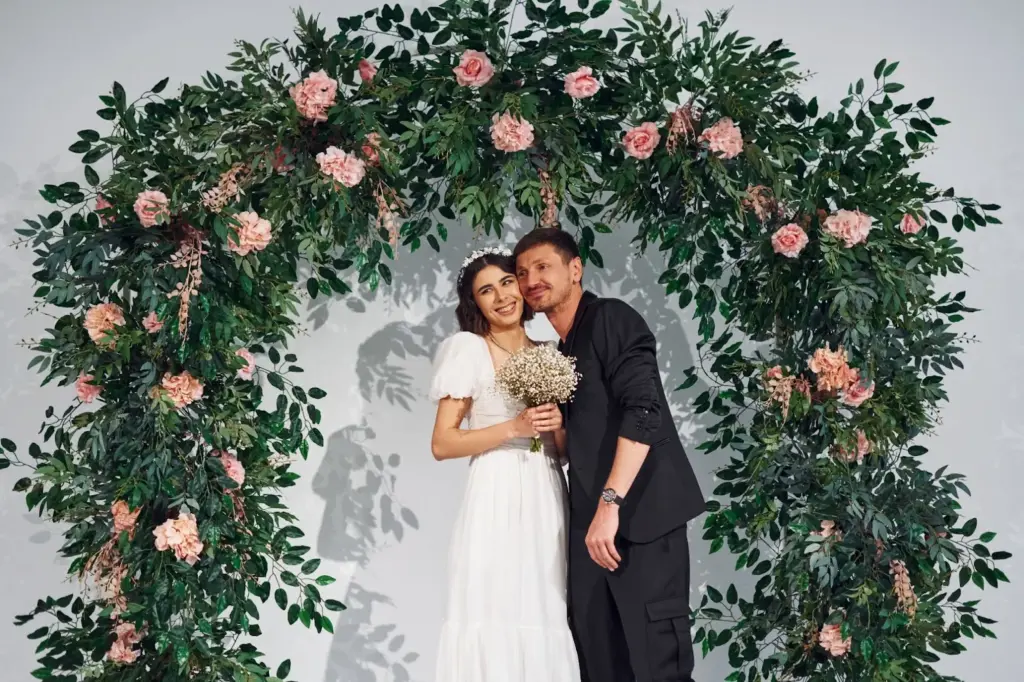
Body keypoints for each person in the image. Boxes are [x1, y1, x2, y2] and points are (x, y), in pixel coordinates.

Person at [514, 228, 707, 682]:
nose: (531, 280)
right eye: (522, 273)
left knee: (658, 665)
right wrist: (554, 427)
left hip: (640, 520)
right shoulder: (559, 353)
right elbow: (573, 450)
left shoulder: (610, 319)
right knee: (597, 662)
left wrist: (610, 505)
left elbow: (644, 411)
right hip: (589, 530)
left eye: (543, 267)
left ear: (575, 269)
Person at [429, 245, 582, 682]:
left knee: (543, 603)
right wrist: (512, 428)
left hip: (546, 491)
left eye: (507, 282)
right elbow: (442, 443)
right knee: (491, 605)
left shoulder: (552, 352)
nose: (502, 297)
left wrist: (556, 428)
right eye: (486, 291)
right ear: (474, 304)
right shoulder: (469, 349)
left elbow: (564, 450)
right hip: (494, 491)